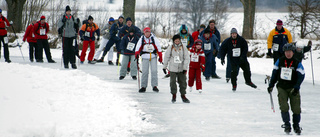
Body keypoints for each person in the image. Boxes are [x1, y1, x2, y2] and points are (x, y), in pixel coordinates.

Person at [267, 43, 305, 135]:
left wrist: (296, 87)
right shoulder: (279, 61)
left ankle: (296, 125)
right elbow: (275, 73)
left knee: (296, 108)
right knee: (283, 106)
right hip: (282, 87)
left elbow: (301, 76)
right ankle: (287, 124)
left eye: (290, 52)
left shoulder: (296, 63)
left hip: (293, 88)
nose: (288, 54)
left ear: (293, 52)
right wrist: (271, 85)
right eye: (286, 52)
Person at [163, 34, 190, 103]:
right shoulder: (171, 47)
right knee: (172, 83)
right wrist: (164, 66)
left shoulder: (183, 47)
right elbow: (166, 57)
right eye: (176, 41)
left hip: (181, 68)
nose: (177, 42)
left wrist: (185, 68)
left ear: (180, 41)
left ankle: (183, 95)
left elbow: (186, 58)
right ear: (173, 41)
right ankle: (174, 95)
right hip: (173, 68)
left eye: (178, 41)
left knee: (183, 82)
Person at [135, 27, 162, 93]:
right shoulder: (141, 39)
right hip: (145, 56)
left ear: (150, 32)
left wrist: (160, 56)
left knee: (154, 71)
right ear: (144, 33)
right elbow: (138, 47)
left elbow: (158, 47)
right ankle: (143, 86)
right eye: (146, 32)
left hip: (153, 56)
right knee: (145, 72)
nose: (147, 33)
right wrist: (136, 54)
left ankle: (154, 86)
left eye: (148, 32)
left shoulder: (154, 38)